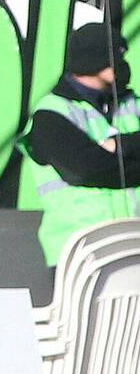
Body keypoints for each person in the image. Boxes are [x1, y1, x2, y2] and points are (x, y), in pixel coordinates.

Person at [16, 21, 140, 268]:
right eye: (115, 56)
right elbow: (84, 170)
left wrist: (120, 145)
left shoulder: (131, 104)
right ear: (93, 59)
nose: (122, 63)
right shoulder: (51, 113)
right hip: (80, 256)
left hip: (133, 247)